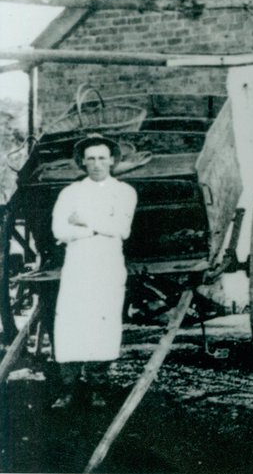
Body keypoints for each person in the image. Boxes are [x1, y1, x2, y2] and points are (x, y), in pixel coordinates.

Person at [50, 133, 138, 408]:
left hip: (107, 266)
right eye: (91, 159)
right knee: (71, 322)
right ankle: (69, 388)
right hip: (77, 265)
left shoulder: (124, 191)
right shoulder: (70, 193)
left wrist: (84, 222)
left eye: (102, 158)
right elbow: (60, 230)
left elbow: (121, 230)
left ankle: (99, 386)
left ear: (112, 160)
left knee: (103, 322)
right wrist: (98, 228)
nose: (97, 163)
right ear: (83, 162)